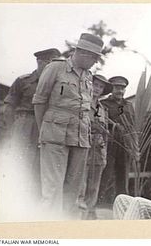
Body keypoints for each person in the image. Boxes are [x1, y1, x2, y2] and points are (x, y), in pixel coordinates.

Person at [32, 33, 104, 219]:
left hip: (80, 137)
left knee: (74, 190)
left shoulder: (88, 76)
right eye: (94, 58)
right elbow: (40, 101)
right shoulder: (56, 68)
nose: (96, 63)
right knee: (53, 189)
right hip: (55, 134)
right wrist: (44, 131)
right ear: (83, 53)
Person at [3, 48, 61, 202]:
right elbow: (9, 107)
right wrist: (11, 132)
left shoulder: (57, 85)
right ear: (39, 61)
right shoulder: (23, 81)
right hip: (25, 123)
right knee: (21, 162)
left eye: (54, 63)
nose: (51, 66)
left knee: (42, 165)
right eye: (48, 62)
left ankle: (34, 203)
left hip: (47, 125)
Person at [79, 74, 112, 220]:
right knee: (81, 181)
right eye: (95, 85)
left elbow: (105, 131)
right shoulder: (82, 101)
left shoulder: (102, 108)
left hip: (98, 148)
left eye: (101, 87)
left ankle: (91, 211)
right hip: (83, 144)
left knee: (94, 183)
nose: (97, 89)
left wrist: (104, 151)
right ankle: (80, 212)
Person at [98, 76, 135, 203]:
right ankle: (97, 203)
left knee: (123, 175)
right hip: (109, 142)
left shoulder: (129, 105)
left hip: (125, 145)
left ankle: (123, 203)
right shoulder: (103, 104)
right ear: (111, 88)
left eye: (122, 88)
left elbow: (133, 125)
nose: (120, 91)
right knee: (105, 173)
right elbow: (100, 120)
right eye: (117, 87)